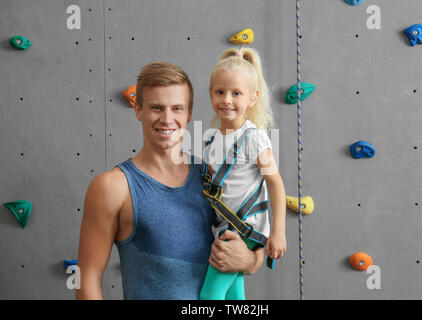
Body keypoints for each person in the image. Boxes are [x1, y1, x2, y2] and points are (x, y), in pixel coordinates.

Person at [75, 62, 264, 300]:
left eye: (177, 108)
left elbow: (254, 245)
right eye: (156, 108)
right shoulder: (113, 187)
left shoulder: (213, 176)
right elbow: (87, 279)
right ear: (138, 110)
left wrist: (248, 260)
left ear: (189, 112)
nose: (167, 119)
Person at [199, 48, 287, 300]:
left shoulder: (254, 139)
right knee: (233, 296)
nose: (226, 99)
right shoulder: (211, 139)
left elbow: (275, 183)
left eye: (236, 93)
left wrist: (278, 232)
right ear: (211, 94)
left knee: (209, 297)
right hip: (224, 229)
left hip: (245, 228)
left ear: (252, 98)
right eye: (220, 92)